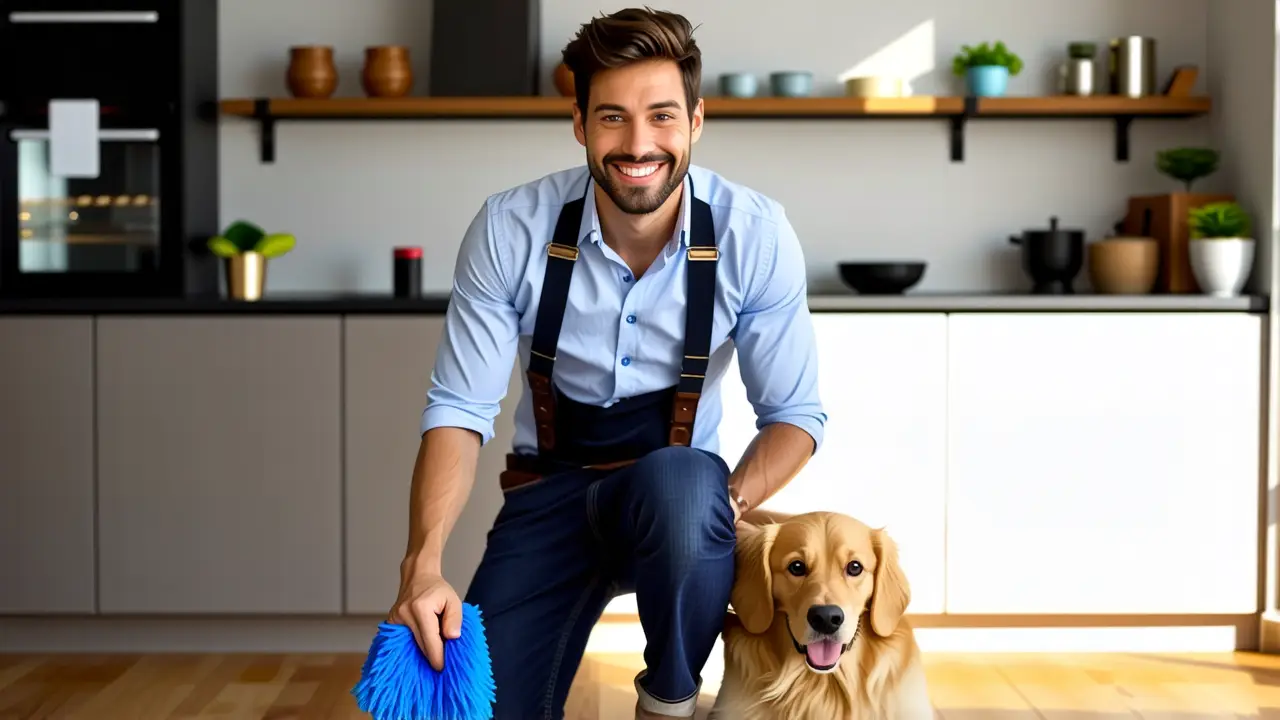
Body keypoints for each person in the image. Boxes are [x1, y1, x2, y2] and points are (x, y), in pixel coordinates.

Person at [387, 7, 826, 719]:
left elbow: (795, 417)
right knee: (477, 708)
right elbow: (460, 410)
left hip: (681, 506)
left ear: (696, 121)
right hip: (548, 497)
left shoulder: (756, 233)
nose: (639, 143)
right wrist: (423, 565)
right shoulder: (510, 228)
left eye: (661, 116)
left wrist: (723, 510)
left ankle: (669, 700)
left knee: (683, 484)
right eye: (613, 117)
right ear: (580, 123)